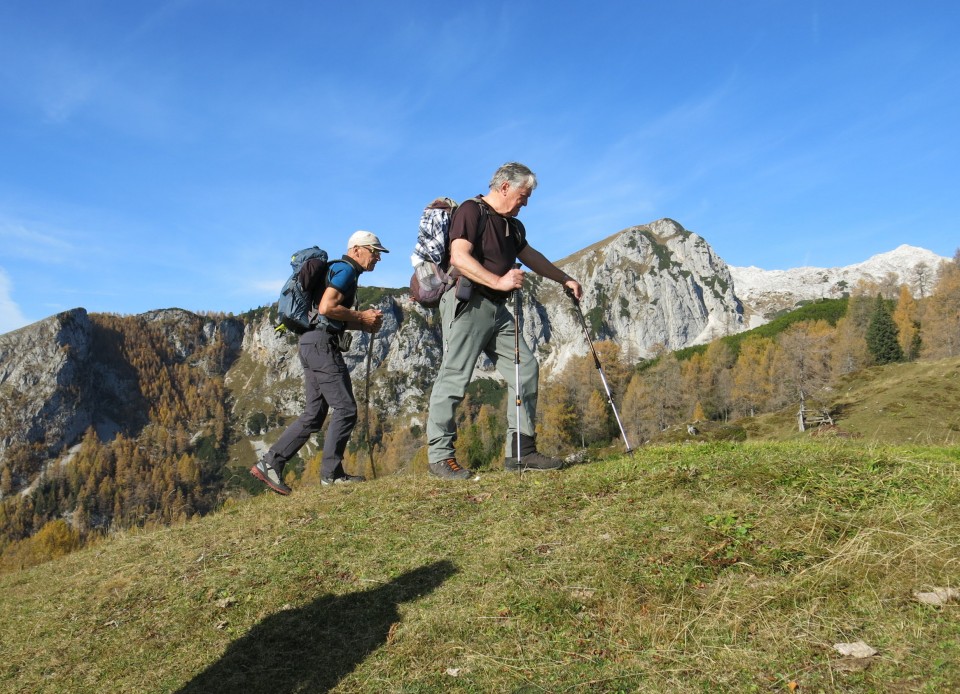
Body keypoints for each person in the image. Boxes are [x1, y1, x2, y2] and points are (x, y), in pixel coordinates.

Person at [427, 162, 583, 480]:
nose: (525, 202)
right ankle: (440, 457)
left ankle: (521, 452)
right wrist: (498, 282)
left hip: (498, 311)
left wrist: (564, 278)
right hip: (467, 303)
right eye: (523, 195)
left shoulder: (513, 226)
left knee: (525, 368)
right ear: (504, 188)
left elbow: (529, 255)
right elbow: (459, 256)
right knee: (454, 378)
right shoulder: (472, 211)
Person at [250, 231, 388, 495]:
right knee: (346, 408)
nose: (378, 258)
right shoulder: (346, 270)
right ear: (357, 249)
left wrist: (362, 323)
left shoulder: (336, 271)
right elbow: (326, 308)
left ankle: (271, 464)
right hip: (322, 346)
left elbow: (327, 315)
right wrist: (361, 314)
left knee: (314, 414)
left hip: (309, 343)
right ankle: (331, 475)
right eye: (375, 251)